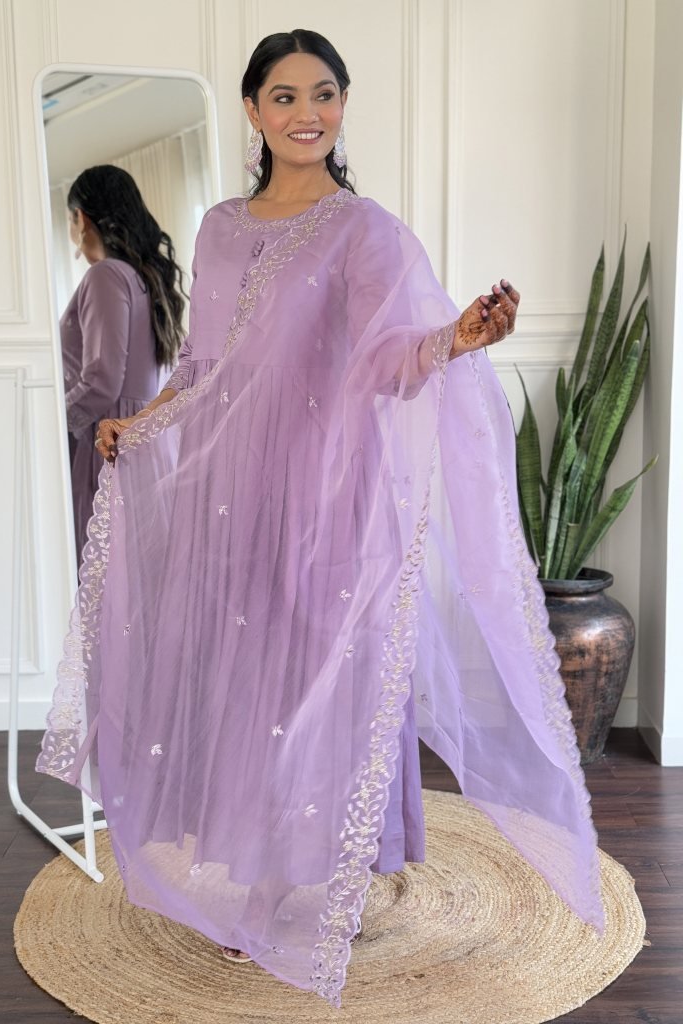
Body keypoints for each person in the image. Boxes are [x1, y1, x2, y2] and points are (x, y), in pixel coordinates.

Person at [37, 30, 604, 1007]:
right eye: (286, 95)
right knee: (250, 682)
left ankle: (309, 883)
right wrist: (143, 420)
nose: (308, 113)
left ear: (343, 105)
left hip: (333, 495)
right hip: (237, 496)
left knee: (327, 682)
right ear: (253, 110)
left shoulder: (364, 230)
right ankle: (262, 869)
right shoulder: (219, 227)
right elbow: (206, 367)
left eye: (325, 93)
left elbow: (385, 357)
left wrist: (455, 337)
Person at [60, 165, 186, 555]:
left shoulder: (106, 275)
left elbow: (101, 380)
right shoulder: (144, 278)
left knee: (102, 569)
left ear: (81, 218)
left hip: (106, 441)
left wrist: (53, 423)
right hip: (141, 440)